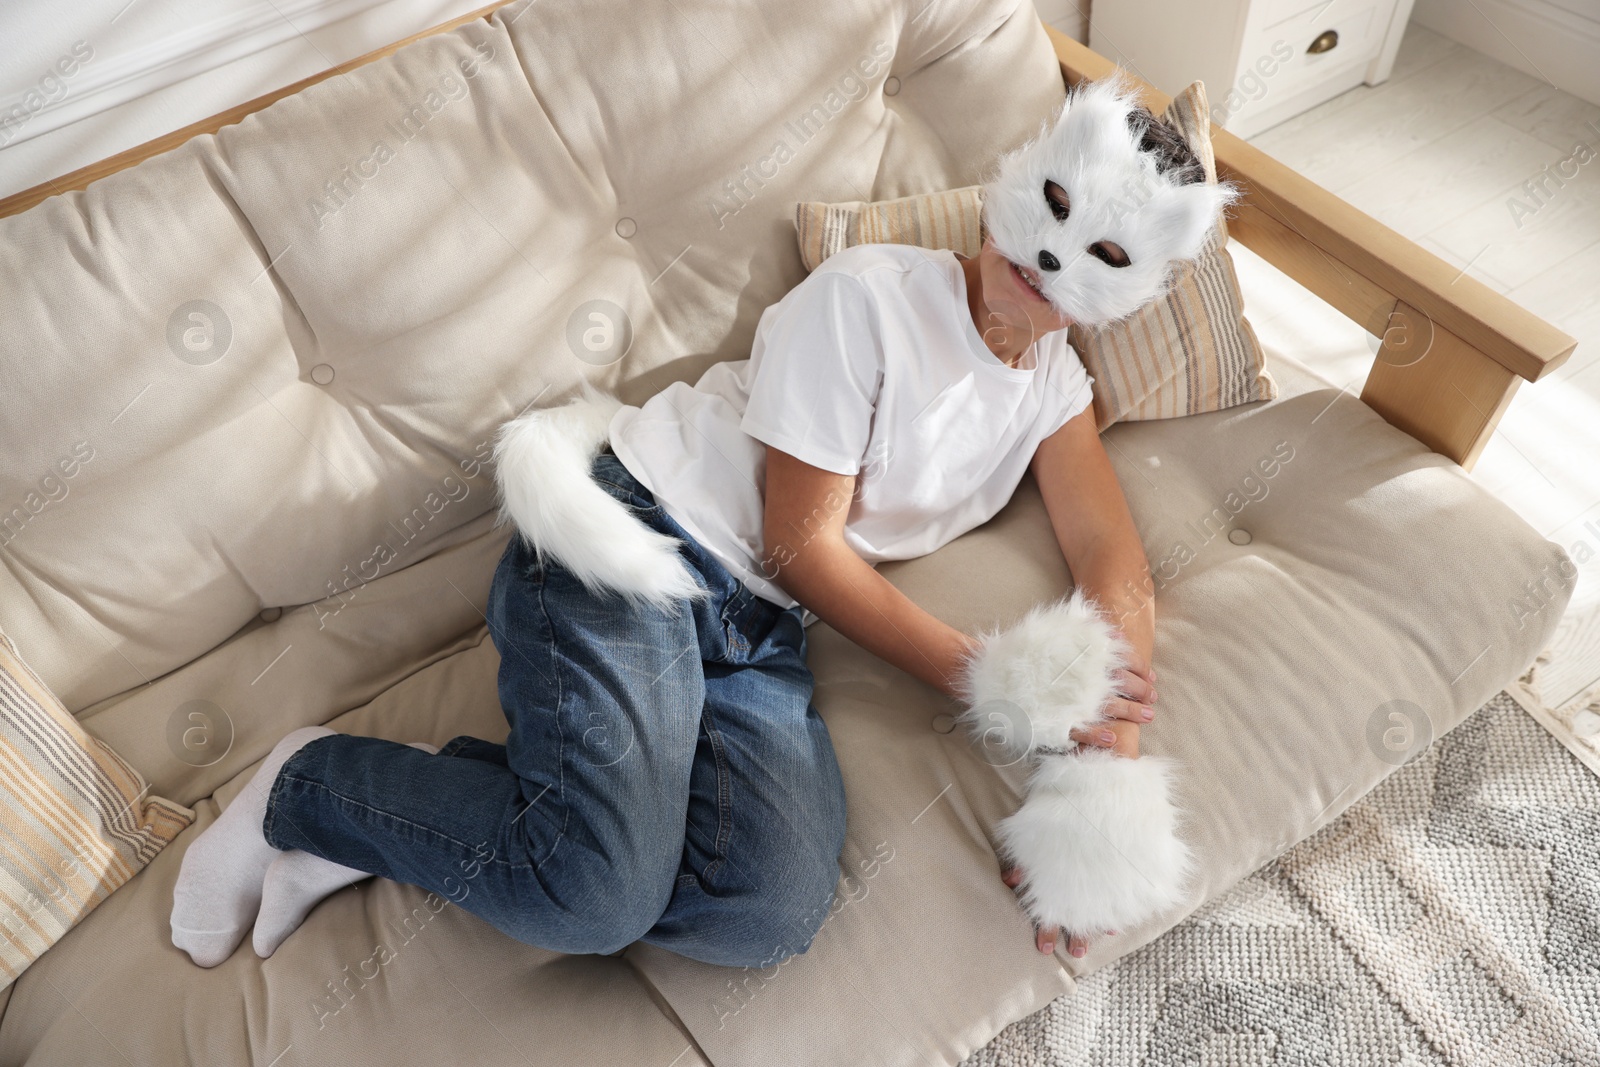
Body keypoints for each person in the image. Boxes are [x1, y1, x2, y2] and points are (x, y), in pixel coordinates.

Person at [170, 75, 1229, 971]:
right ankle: (306, 787)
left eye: (1102, 254)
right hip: (632, 542)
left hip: (752, 635)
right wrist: (976, 672)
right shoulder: (868, 298)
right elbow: (798, 543)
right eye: (1052, 202)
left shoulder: (1050, 387)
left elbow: (1110, 560)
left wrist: (1103, 779)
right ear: (1024, 168)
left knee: (766, 911)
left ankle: (448, 813)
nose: (1049, 260)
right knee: (594, 900)